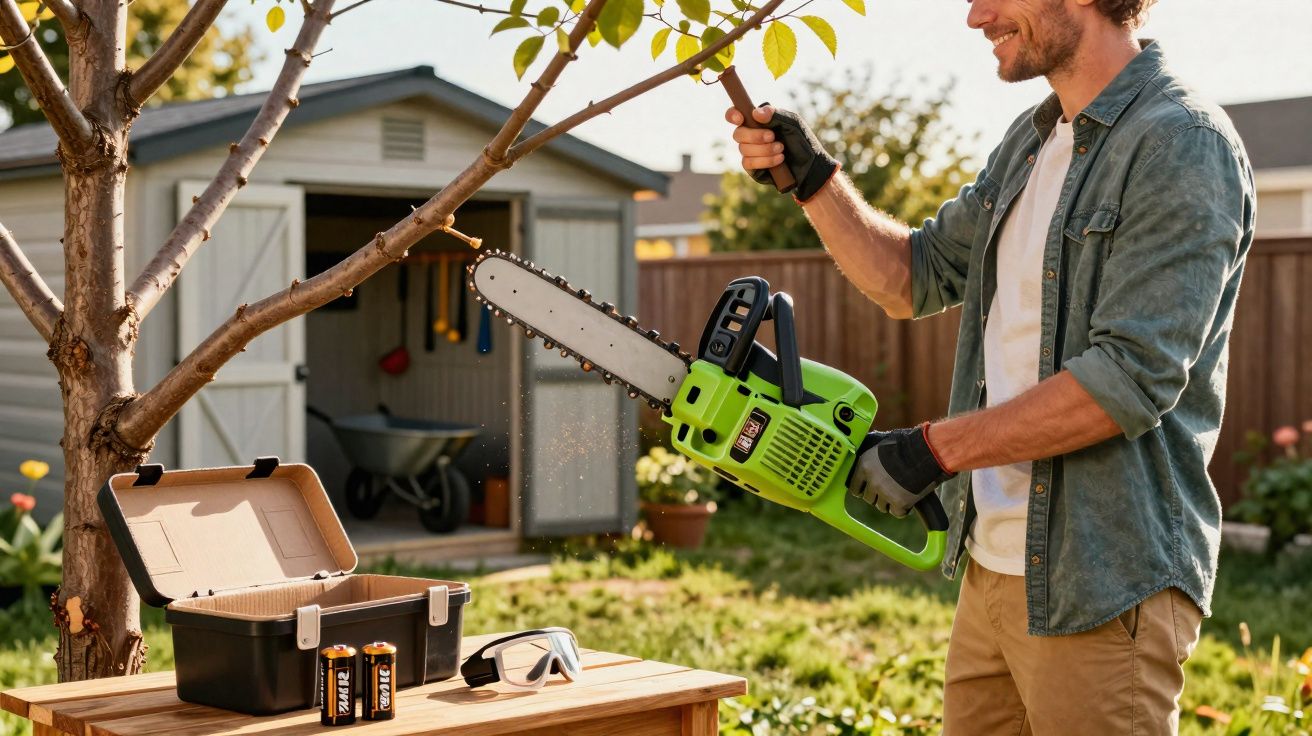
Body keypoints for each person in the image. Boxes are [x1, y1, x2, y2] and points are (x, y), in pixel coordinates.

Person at [726, 0, 1254, 733]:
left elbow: (1127, 380)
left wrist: (934, 450)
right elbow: (913, 276)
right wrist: (813, 180)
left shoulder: (1180, 143)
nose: (975, 15)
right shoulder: (1033, 142)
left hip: (1102, 579)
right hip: (995, 569)